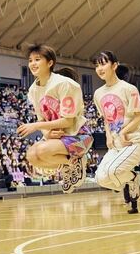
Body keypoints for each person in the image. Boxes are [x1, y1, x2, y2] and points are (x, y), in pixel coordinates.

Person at [92, 51, 140, 213]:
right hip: (115, 144)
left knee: (113, 171)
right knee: (100, 178)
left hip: (133, 141)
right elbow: (105, 118)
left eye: (103, 64)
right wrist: (108, 136)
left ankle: (132, 180)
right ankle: (132, 178)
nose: (99, 68)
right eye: (96, 65)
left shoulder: (128, 89)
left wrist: (124, 131)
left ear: (114, 65)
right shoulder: (98, 93)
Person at [17, 44, 93, 194]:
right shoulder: (33, 90)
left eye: (37, 59)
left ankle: (77, 160)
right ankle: (70, 163)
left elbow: (68, 121)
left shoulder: (65, 84)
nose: (32, 63)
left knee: (42, 150)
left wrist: (36, 126)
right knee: (32, 156)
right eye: (30, 60)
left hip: (79, 136)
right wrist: (46, 133)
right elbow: (43, 118)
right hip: (58, 139)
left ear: (50, 63)